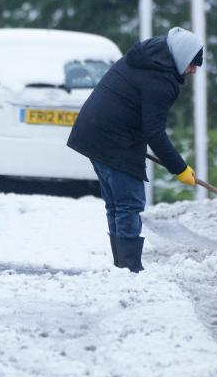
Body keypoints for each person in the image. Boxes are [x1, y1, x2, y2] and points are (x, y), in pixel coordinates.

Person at [67, 26, 203, 272]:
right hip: (113, 139)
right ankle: (130, 267)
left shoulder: (147, 58)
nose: (193, 70)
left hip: (93, 132)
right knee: (129, 203)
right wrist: (179, 168)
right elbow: (154, 132)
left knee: (117, 204)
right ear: (181, 56)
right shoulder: (160, 81)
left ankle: (123, 265)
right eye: (193, 64)